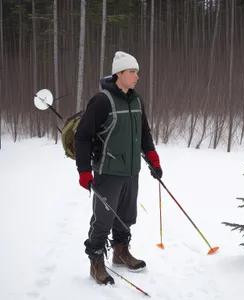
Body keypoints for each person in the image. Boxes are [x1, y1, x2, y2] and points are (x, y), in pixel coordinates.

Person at [74, 51, 163, 285]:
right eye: (132, 72)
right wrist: (84, 171)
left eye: (137, 72)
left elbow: (144, 132)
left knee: (126, 215)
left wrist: (153, 158)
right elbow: (82, 137)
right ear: (119, 74)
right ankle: (95, 261)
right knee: (103, 219)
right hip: (108, 171)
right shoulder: (102, 101)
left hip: (132, 170)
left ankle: (121, 252)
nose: (136, 76)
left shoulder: (136, 100)